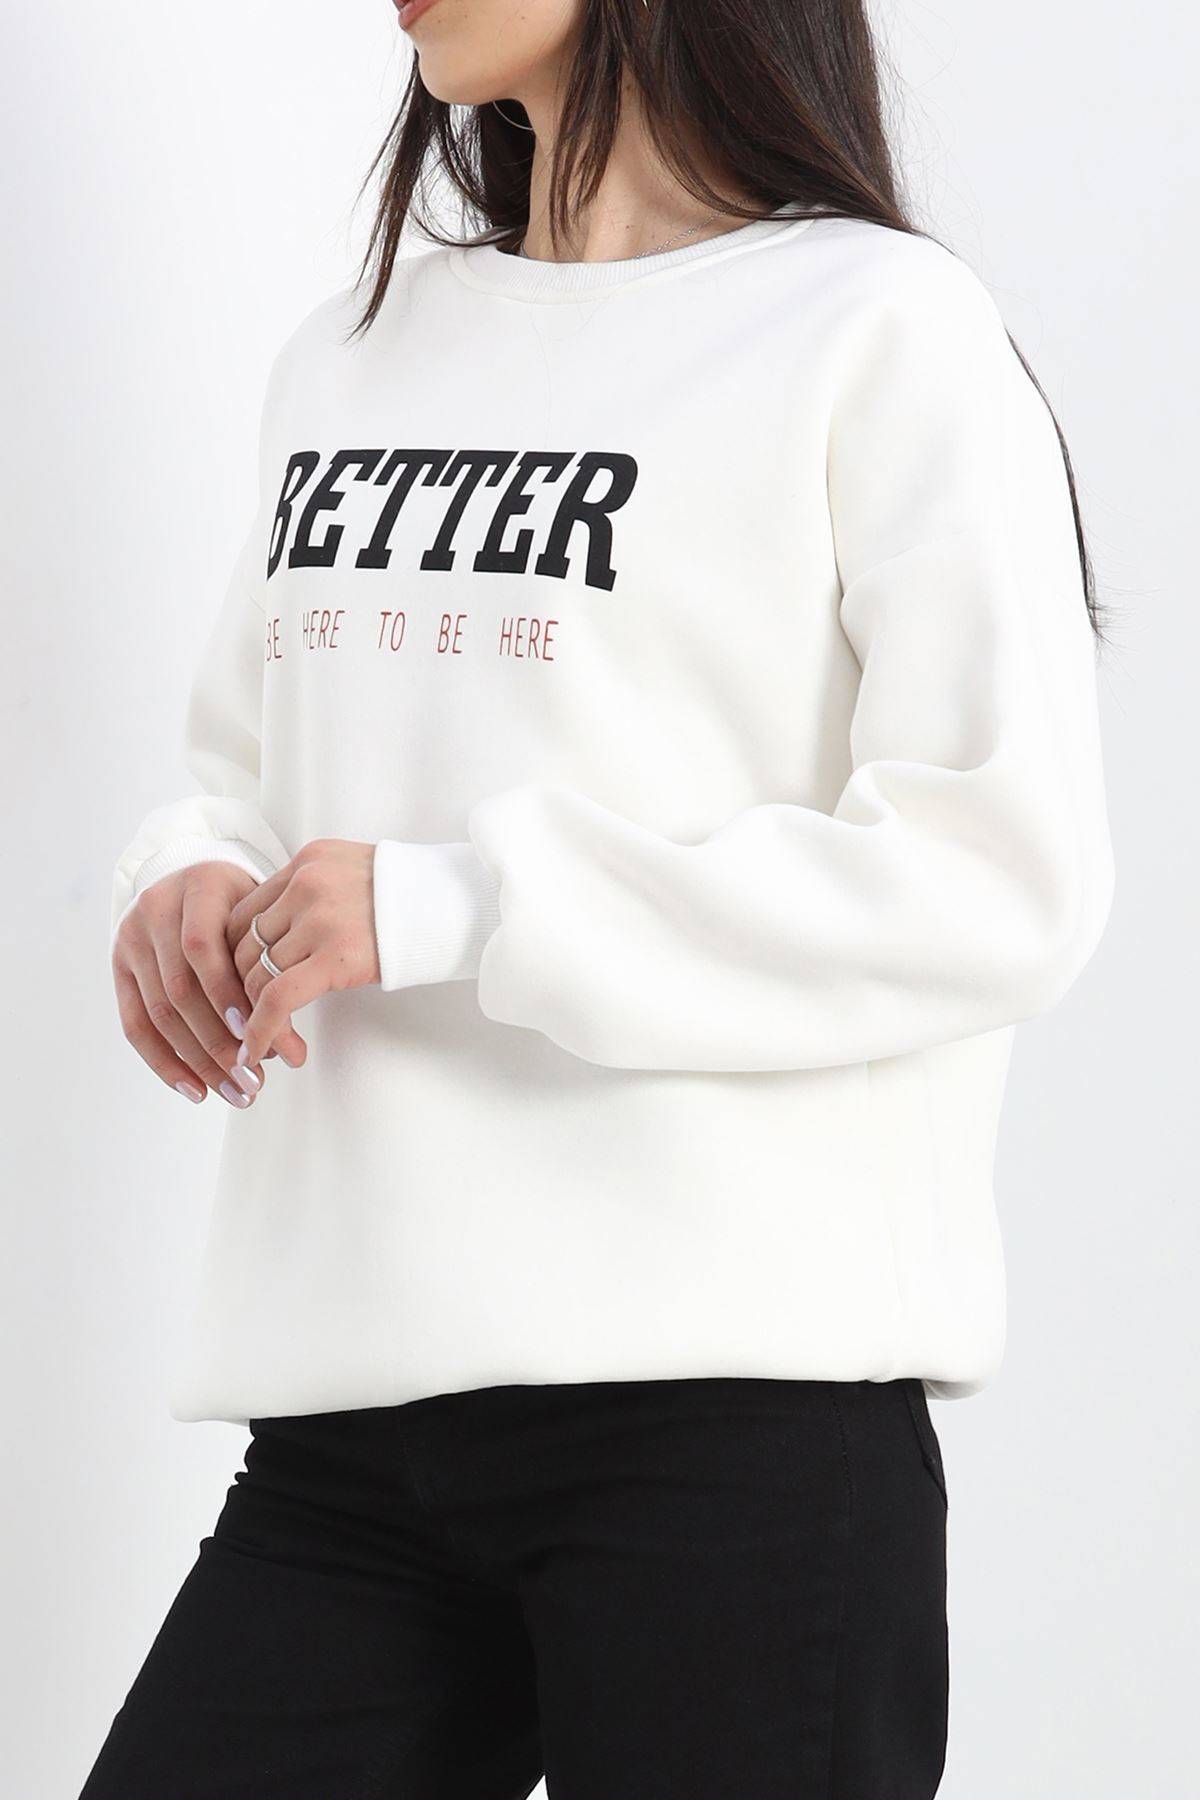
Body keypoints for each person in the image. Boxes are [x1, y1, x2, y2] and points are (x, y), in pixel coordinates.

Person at [86, 1, 1115, 1794]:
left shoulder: (876, 330)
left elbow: (998, 871)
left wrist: (463, 906)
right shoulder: (355, 353)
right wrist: (189, 873)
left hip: (734, 1433)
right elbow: (247, 760)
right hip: (352, 1422)